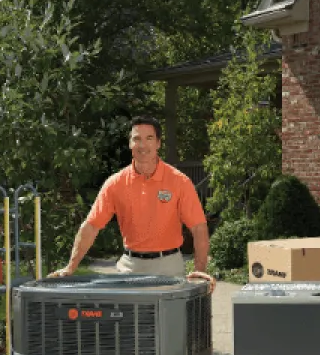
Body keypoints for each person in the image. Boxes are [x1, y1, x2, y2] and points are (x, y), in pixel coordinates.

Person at [49, 116, 215, 293]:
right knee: (128, 321)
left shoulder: (179, 182)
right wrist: (71, 267)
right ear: (130, 143)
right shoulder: (115, 183)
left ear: (158, 143)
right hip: (129, 267)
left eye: (149, 138)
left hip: (169, 267)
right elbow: (91, 226)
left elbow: (198, 228)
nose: (142, 145)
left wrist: (199, 271)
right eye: (137, 139)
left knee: (170, 320)